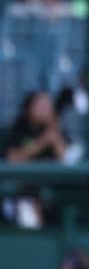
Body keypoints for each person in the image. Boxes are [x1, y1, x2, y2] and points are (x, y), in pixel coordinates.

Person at [3, 91, 71, 229]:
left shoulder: (57, 132)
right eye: (40, 106)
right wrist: (43, 142)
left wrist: (55, 136)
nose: (45, 109)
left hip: (51, 192)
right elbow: (13, 159)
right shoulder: (15, 129)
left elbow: (66, 161)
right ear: (28, 108)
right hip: (20, 191)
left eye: (48, 106)